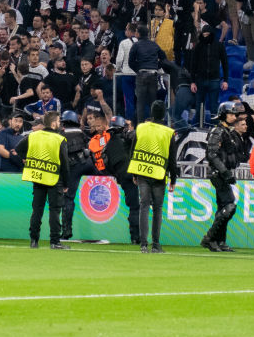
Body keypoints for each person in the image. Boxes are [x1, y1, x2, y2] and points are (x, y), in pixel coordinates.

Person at [128, 100, 178, 253]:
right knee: (157, 209)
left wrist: (134, 173)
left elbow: (132, 150)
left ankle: (143, 244)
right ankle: (156, 244)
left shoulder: (141, 127)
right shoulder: (168, 132)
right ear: (164, 114)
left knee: (143, 206)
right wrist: (173, 179)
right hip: (158, 174)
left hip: (142, 171)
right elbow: (172, 159)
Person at [16, 111, 70, 249]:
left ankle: (34, 241)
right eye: (58, 121)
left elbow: (18, 149)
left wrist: (26, 159)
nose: (59, 124)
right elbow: (65, 163)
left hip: (37, 177)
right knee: (54, 210)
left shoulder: (33, 136)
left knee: (37, 210)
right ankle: (54, 242)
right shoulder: (59, 139)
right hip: (54, 179)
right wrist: (66, 183)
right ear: (53, 123)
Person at [87, 110, 140, 244]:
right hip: (136, 175)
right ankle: (137, 237)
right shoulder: (127, 138)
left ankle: (135, 237)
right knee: (136, 207)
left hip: (122, 177)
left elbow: (107, 165)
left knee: (134, 207)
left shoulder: (107, 144)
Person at [201, 102, 248, 252]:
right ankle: (210, 238)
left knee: (224, 207)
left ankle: (219, 241)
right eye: (232, 114)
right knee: (229, 205)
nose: (234, 116)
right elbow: (212, 154)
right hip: (218, 173)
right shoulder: (218, 131)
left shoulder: (227, 131)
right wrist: (225, 172)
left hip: (223, 173)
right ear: (223, 115)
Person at [59, 109, 93, 239]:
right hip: (88, 164)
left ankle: (66, 232)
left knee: (68, 198)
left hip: (73, 167)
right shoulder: (81, 133)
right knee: (105, 179)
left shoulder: (61, 134)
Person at [128, 22, 164, 123]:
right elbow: (163, 58)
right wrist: (156, 67)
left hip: (141, 75)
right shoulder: (154, 45)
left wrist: (138, 69)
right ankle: (155, 124)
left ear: (138, 34)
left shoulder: (136, 45)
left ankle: (140, 127)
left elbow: (130, 61)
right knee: (153, 102)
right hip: (153, 75)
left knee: (140, 103)